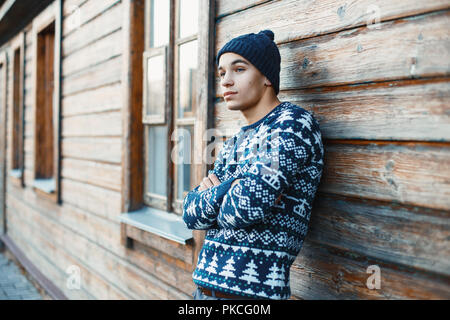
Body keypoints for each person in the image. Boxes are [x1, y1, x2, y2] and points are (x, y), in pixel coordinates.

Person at [182, 29, 324, 300]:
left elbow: (245, 207)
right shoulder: (234, 142)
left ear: (267, 76)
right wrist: (231, 188)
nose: (226, 81)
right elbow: (190, 213)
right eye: (222, 73)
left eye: (239, 69)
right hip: (203, 291)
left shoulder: (292, 124)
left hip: (252, 295)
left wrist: (216, 194)